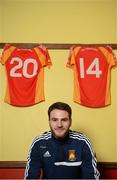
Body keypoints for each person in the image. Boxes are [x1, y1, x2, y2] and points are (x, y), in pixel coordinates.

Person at [24, 102, 100, 179]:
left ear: (70, 121)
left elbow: (91, 177)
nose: (59, 125)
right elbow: (30, 177)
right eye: (54, 120)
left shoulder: (83, 143)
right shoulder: (39, 143)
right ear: (49, 121)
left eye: (64, 120)